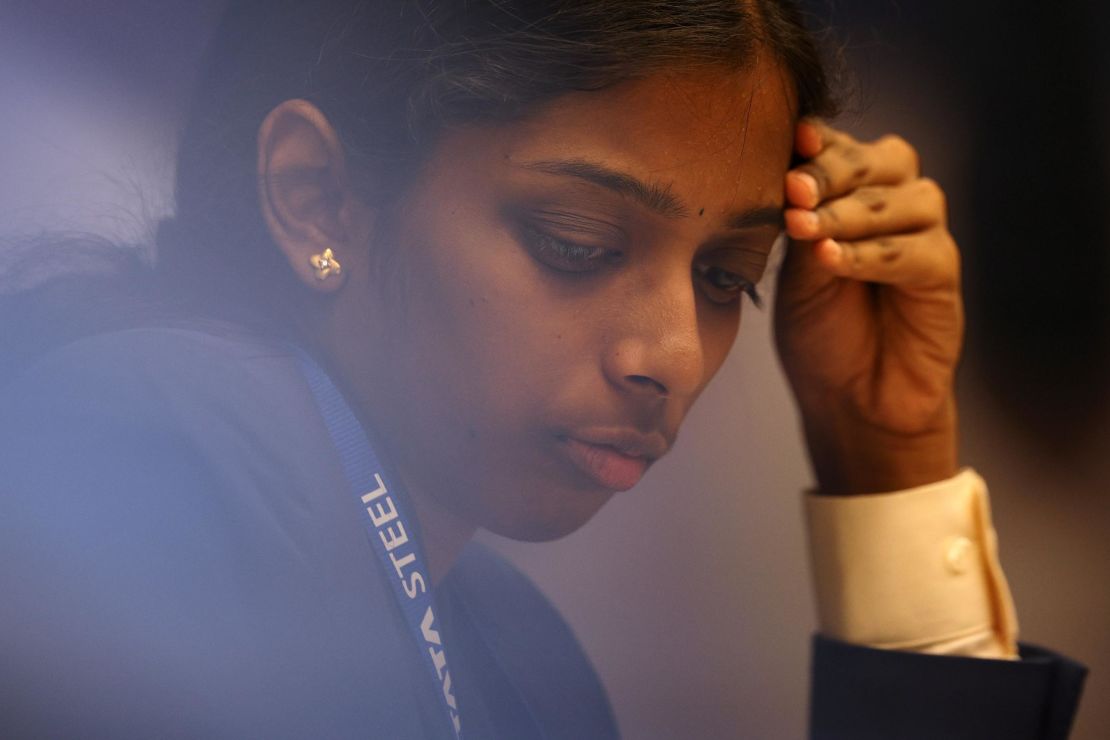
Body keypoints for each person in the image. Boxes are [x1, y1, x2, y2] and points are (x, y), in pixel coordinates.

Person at [0, 0, 1087, 737]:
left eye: (728, 277)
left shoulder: (515, 644)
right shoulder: (160, 439)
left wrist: (884, 454)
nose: (667, 357)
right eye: (576, 243)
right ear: (316, 198)